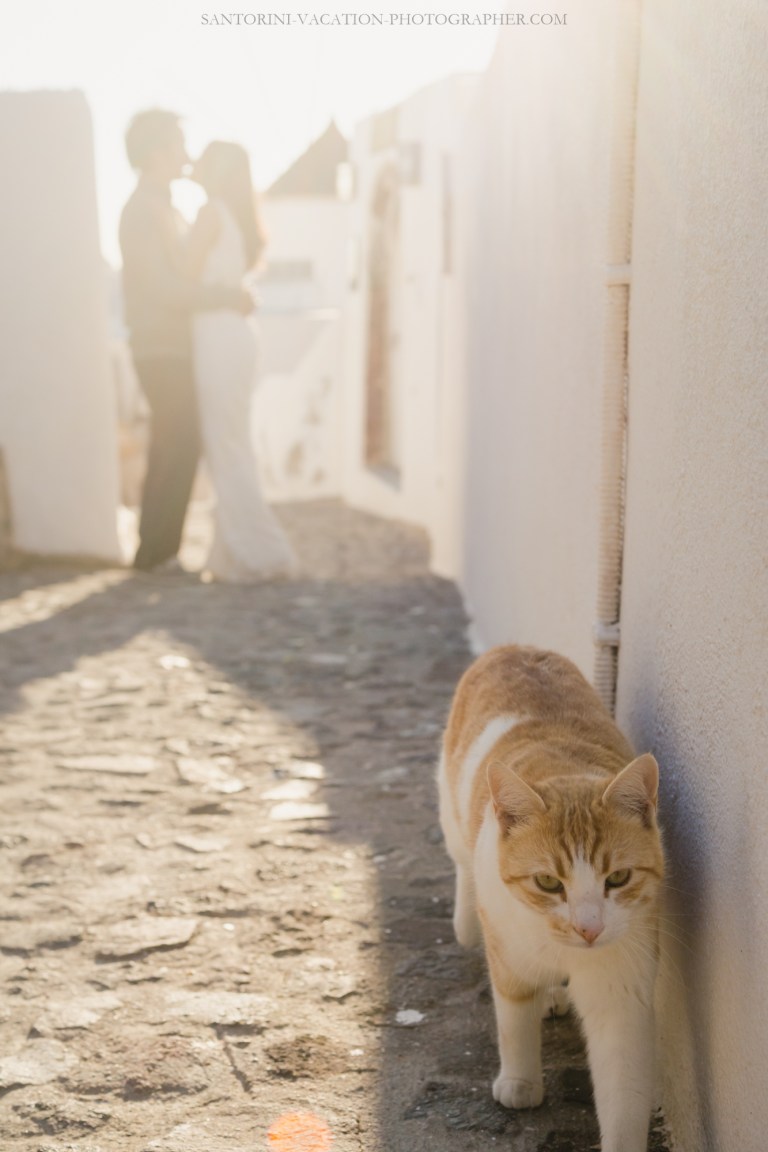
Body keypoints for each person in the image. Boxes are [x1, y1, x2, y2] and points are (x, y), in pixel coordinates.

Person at [119, 110, 253, 573]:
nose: (186, 153)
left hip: (173, 345)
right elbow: (163, 289)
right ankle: (155, 554)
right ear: (156, 152)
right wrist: (227, 297)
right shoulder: (141, 209)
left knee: (177, 441)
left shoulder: (161, 206)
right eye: (178, 143)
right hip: (159, 346)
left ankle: (160, 552)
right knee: (175, 441)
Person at [186, 140, 298, 582]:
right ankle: (229, 554)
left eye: (203, 157)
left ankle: (261, 551)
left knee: (225, 445)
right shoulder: (234, 215)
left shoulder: (210, 213)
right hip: (234, 334)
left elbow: (185, 281)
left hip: (216, 334)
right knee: (231, 443)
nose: (193, 162)